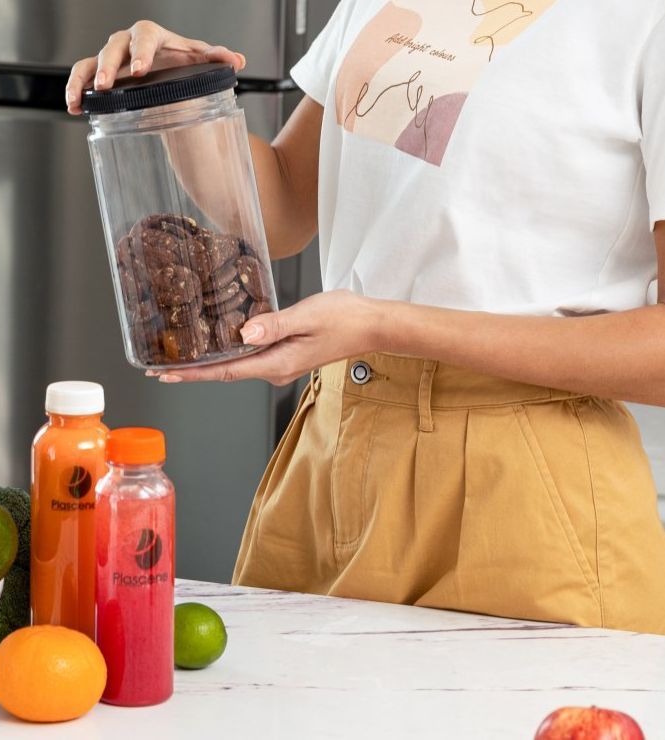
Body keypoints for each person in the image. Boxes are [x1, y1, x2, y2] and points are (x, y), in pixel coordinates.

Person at [66, 3, 665, 634]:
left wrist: (384, 326)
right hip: (333, 454)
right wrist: (177, 98)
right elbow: (284, 207)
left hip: (530, 492)